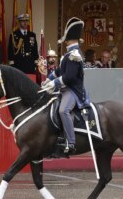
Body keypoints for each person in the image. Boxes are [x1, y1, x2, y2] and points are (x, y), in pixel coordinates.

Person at [42, 17, 89, 154]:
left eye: (66, 38)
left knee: (63, 110)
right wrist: (47, 80)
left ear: (69, 39)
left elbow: (69, 77)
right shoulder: (69, 54)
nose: (64, 40)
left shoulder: (75, 54)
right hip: (64, 88)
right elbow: (59, 71)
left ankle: (71, 141)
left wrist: (54, 83)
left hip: (73, 91)